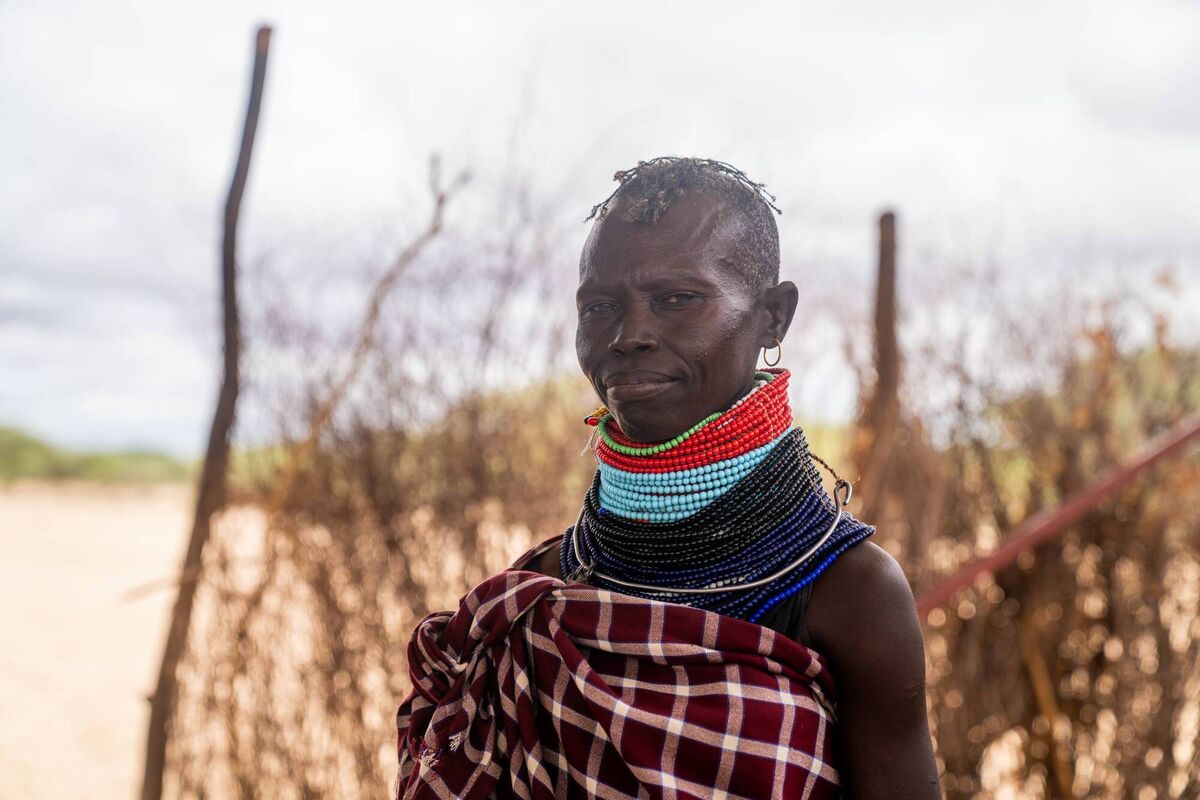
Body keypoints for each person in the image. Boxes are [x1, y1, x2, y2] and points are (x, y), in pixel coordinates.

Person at [395, 157, 941, 799]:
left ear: (773, 317)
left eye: (677, 299)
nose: (630, 335)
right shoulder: (539, 597)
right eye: (601, 306)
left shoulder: (850, 595)